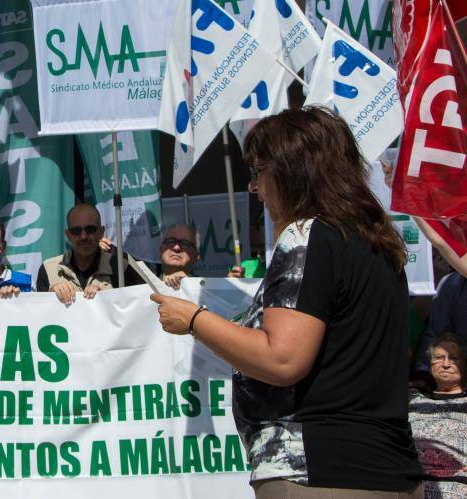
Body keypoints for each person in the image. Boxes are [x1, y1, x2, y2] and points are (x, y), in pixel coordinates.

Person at [151, 107, 422, 497]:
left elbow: (282, 359)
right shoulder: (377, 242)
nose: (254, 187)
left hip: (318, 470)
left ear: (292, 170)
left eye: (259, 171)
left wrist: (194, 319)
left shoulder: (306, 235)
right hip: (387, 467)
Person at [37, 203, 142, 305]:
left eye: (90, 229)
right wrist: (50, 297)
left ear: (101, 232)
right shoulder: (48, 269)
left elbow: (136, 310)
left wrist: (106, 298)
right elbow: (39, 316)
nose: (84, 236)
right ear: (68, 235)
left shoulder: (120, 266)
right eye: (76, 230)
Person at [408, 333, 467, 498]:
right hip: (413, 488)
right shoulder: (412, 398)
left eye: (454, 358)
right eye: (439, 358)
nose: (446, 364)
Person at [159, 224, 200, 290]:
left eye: (185, 243)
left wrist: (189, 284)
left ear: (196, 256)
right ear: (160, 251)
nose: (176, 247)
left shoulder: (205, 290)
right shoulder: (143, 288)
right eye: (170, 241)